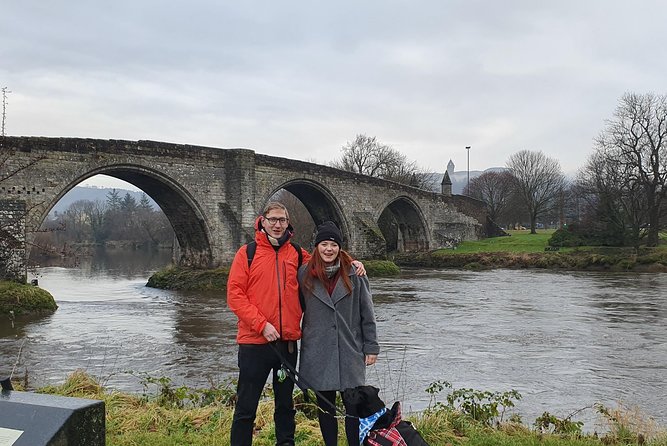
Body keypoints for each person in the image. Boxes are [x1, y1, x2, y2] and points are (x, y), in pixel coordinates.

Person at [227, 203, 365, 446]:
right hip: (254, 344)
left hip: (287, 346)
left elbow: (328, 256)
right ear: (263, 221)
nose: (278, 224)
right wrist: (261, 325)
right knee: (246, 407)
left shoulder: (299, 255)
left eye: (282, 220)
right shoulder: (246, 254)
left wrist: (352, 263)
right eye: (273, 220)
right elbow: (235, 295)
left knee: (284, 405)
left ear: (288, 223)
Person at [298, 221, 379, 446]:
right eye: (323, 244)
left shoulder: (356, 273)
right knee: (326, 407)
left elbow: (367, 313)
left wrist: (371, 347)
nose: (328, 249)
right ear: (316, 247)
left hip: (349, 349)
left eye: (333, 244)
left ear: (339, 248)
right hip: (319, 351)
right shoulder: (304, 274)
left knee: (353, 407)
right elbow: (294, 308)